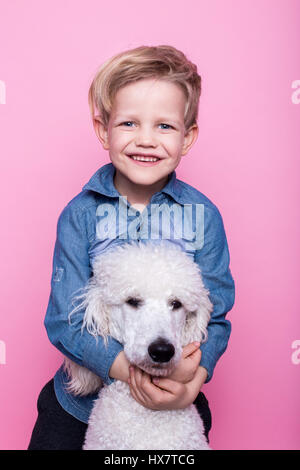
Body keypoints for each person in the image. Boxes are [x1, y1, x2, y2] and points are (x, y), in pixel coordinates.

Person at [28, 45, 235, 450]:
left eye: (164, 126)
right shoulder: (80, 215)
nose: (146, 140)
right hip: (78, 409)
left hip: (174, 402)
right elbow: (63, 319)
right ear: (103, 129)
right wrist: (127, 371)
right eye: (128, 123)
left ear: (188, 136)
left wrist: (194, 379)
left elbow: (216, 313)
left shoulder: (204, 216)